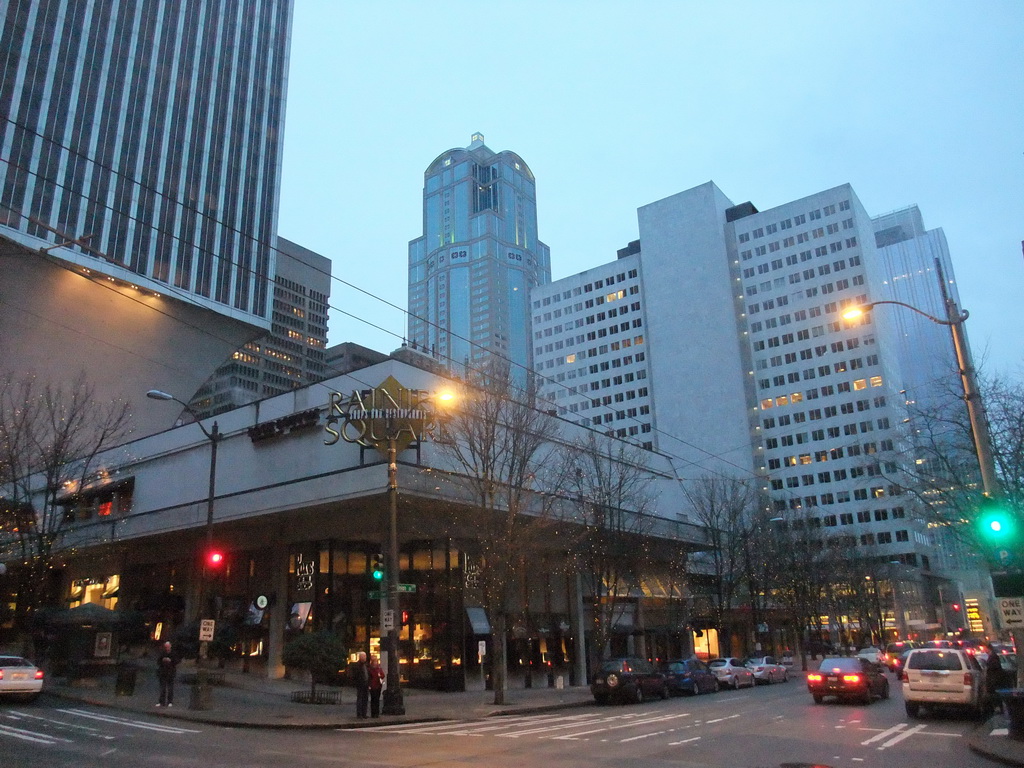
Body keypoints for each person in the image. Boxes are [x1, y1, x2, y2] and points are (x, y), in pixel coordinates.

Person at [156, 641, 179, 707]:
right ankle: (161, 702)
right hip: (163, 672)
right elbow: (158, 661)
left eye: (168, 646)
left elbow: (176, 661)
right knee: (162, 688)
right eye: (166, 647)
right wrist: (163, 660)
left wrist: (171, 661)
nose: (167, 648)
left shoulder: (173, 653)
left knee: (170, 688)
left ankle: (170, 702)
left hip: (171, 673)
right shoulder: (162, 653)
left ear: (170, 646)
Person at [352, 651, 369, 718]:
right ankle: (359, 714)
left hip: (366, 683)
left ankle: (364, 713)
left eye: (365, 656)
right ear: (360, 657)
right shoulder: (357, 665)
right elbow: (355, 675)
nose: (364, 658)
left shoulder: (366, 665)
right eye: (363, 657)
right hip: (360, 683)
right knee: (360, 699)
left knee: (365, 699)